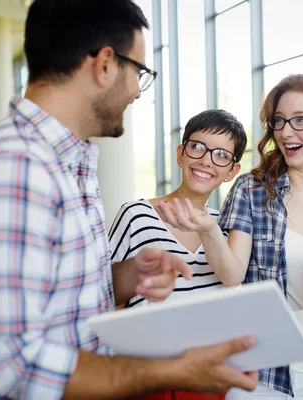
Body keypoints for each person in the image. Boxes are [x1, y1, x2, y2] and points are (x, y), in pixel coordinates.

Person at [0, 1, 258, 399]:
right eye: (140, 72)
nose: (139, 92)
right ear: (105, 64)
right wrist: (170, 371)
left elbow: (64, 304)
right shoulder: (11, 171)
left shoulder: (68, 164)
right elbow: (13, 372)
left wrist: (129, 276)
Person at [157, 74, 303, 399]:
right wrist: (207, 228)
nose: (286, 131)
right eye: (280, 121)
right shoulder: (252, 190)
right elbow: (232, 274)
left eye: (301, 120)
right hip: (261, 371)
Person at [108, 109, 247, 400]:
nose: (206, 161)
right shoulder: (137, 215)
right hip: (147, 373)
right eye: (197, 147)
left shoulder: (225, 230)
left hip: (206, 378)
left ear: (231, 172)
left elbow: (233, 289)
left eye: (221, 155)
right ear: (181, 154)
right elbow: (108, 294)